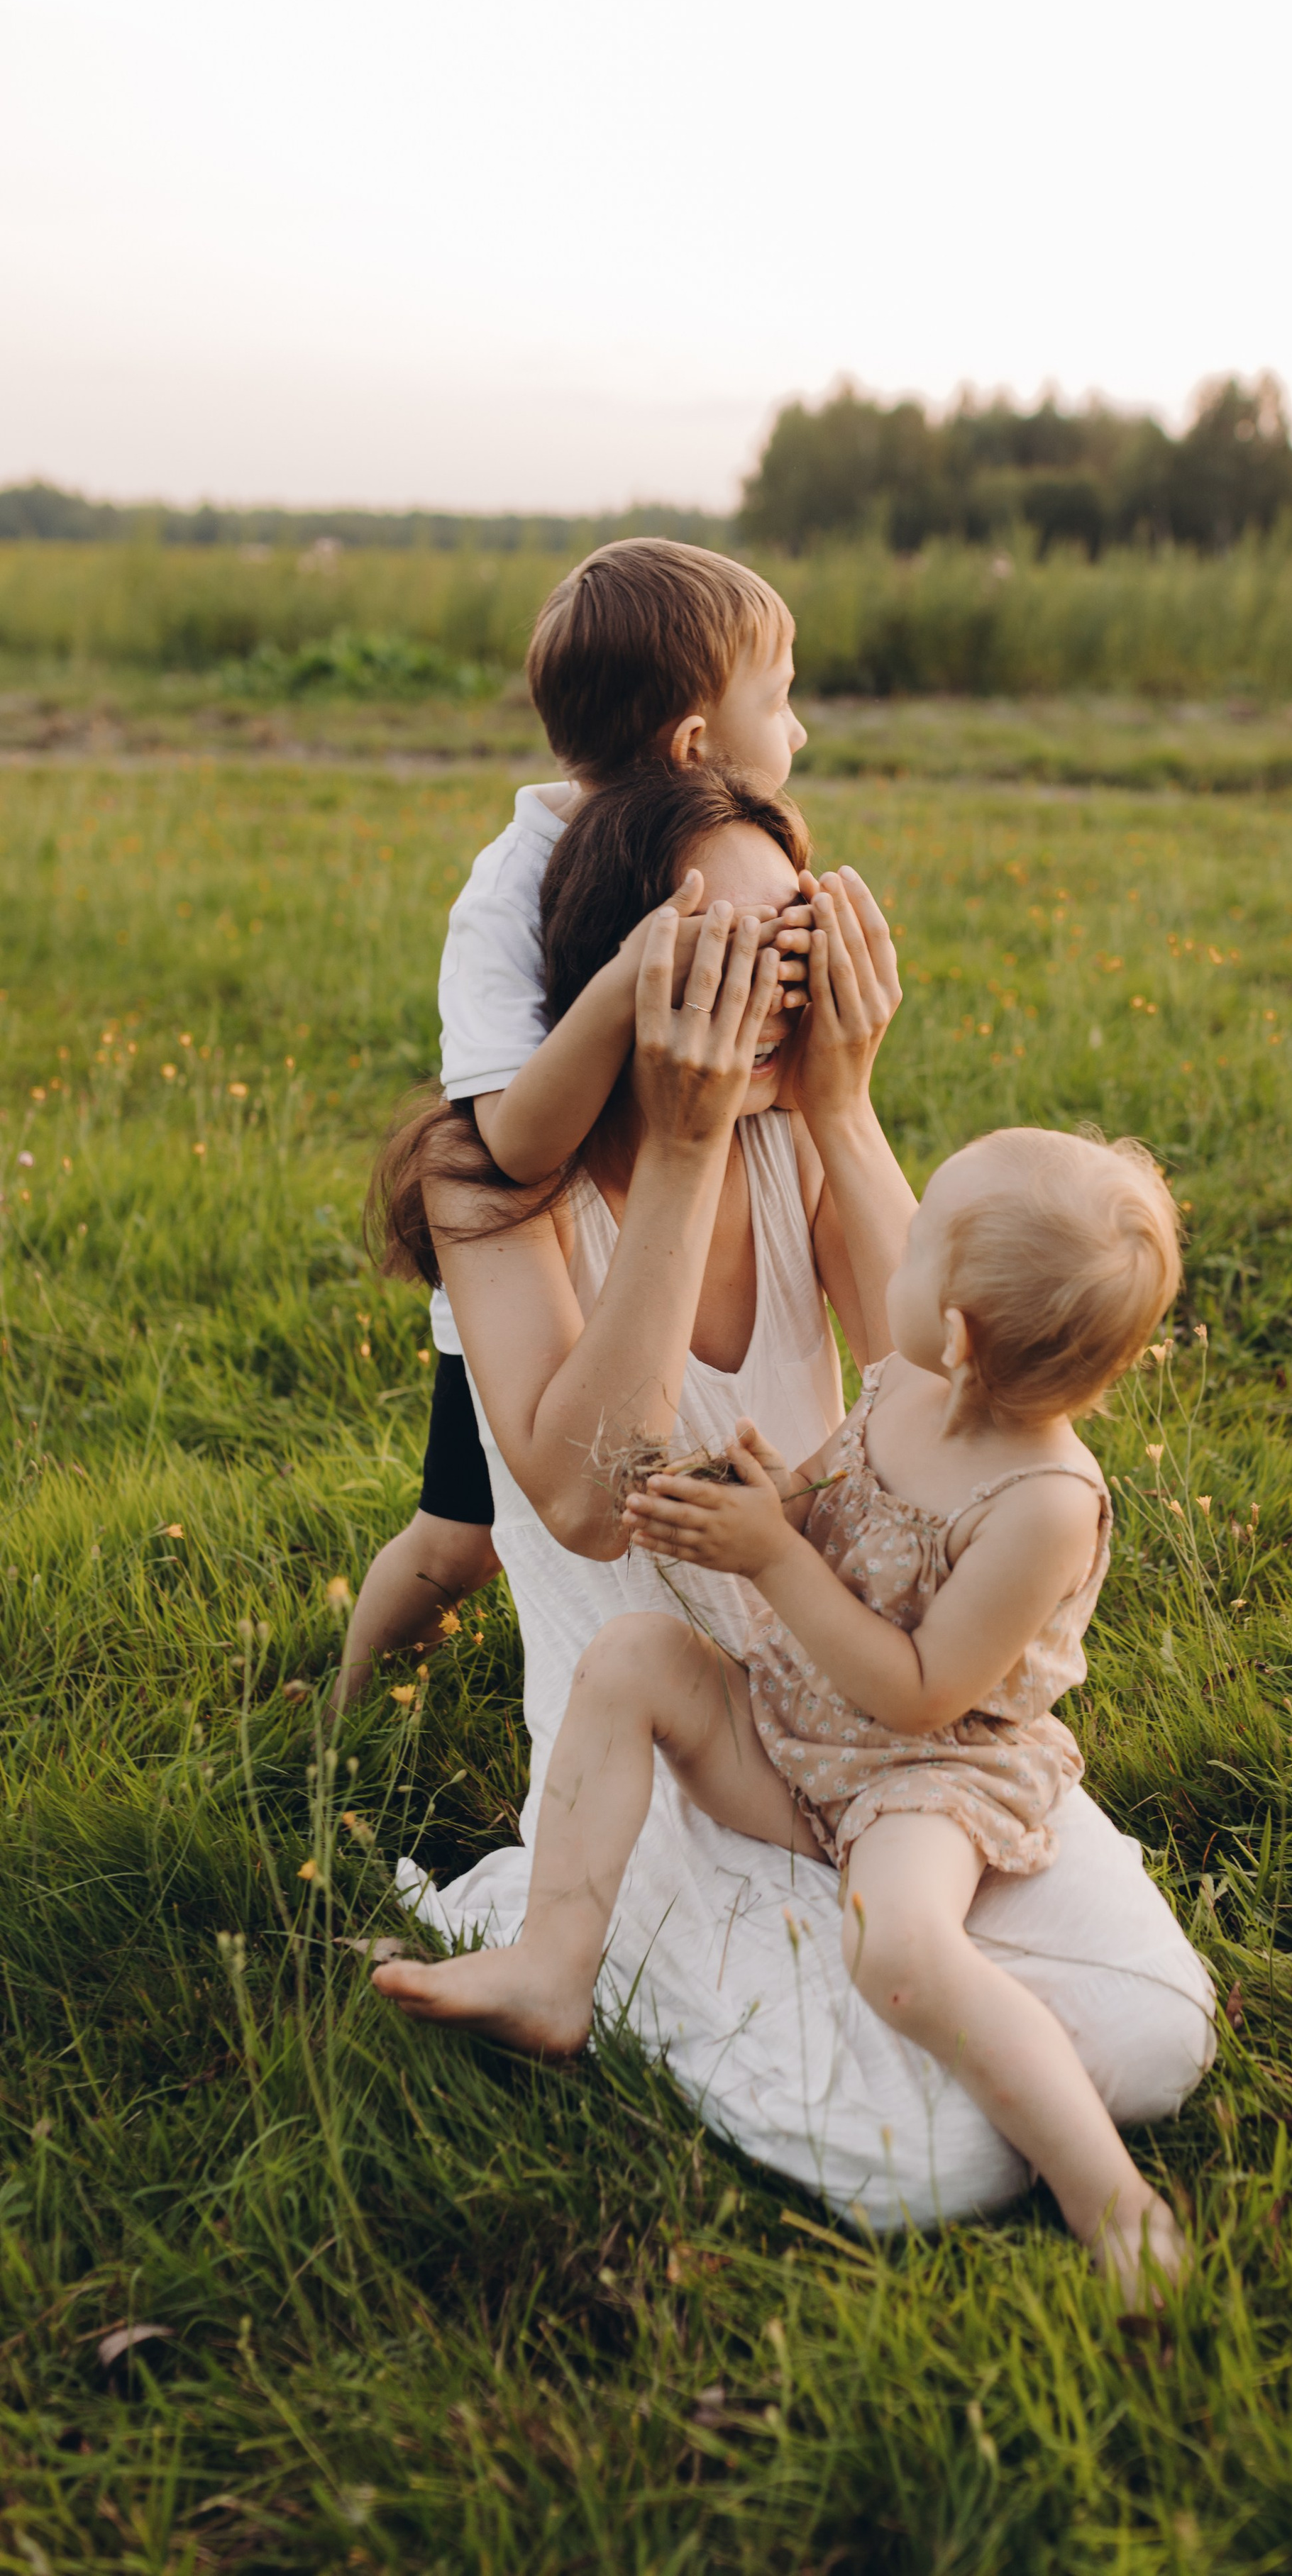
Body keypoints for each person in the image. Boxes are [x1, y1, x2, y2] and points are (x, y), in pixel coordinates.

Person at [365, 767, 1217, 2232]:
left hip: (873, 1707)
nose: (781, 988)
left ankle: (950, 2016)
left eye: (799, 943)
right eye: (737, 953)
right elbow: (590, 1497)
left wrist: (839, 1100)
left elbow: (939, 1371)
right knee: (925, 2165)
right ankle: (593, 1945)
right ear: (621, 969)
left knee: (1154, 2034)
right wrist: (685, 1144)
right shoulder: (488, 1183)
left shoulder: (792, 1128)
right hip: (663, 1734)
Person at [380, 1126, 1187, 2300]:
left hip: (926, 1780)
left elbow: (922, 1692)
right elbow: (842, 1489)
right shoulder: (913, 1385)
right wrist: (775, 1498)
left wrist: (770, 1560)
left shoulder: (1047, 1503)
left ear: (955, 1334)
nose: (886, 1259)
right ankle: (552, 1967)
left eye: (915, 1257)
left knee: (899, 1949)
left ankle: (1106, 2192)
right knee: (631, 1657)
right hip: (801, 1734)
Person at [339, 538, 812, 1692]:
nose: (799, 734)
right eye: (783, 701)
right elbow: (514, 1142)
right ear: (694, 743)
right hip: (537, 1246)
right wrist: (622, 994)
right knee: (466, 1536)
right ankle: (347, 1700)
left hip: (660, 1221)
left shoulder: (724, 852)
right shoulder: (510, 887)